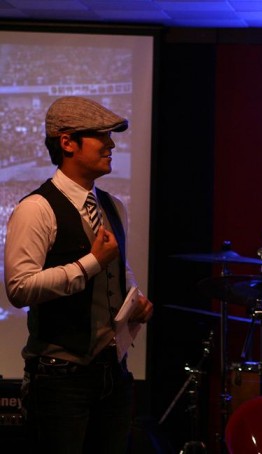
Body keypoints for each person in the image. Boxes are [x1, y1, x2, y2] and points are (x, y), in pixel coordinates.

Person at [3, 96, 153, 454]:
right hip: (59, 379)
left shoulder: (113, 205)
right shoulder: (35, 209)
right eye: (101, 135)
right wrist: (90, 263)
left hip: (114, 374)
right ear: (68, 142)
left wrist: (134, 298)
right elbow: (19, 288)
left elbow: (119, 268)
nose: (111, 144)